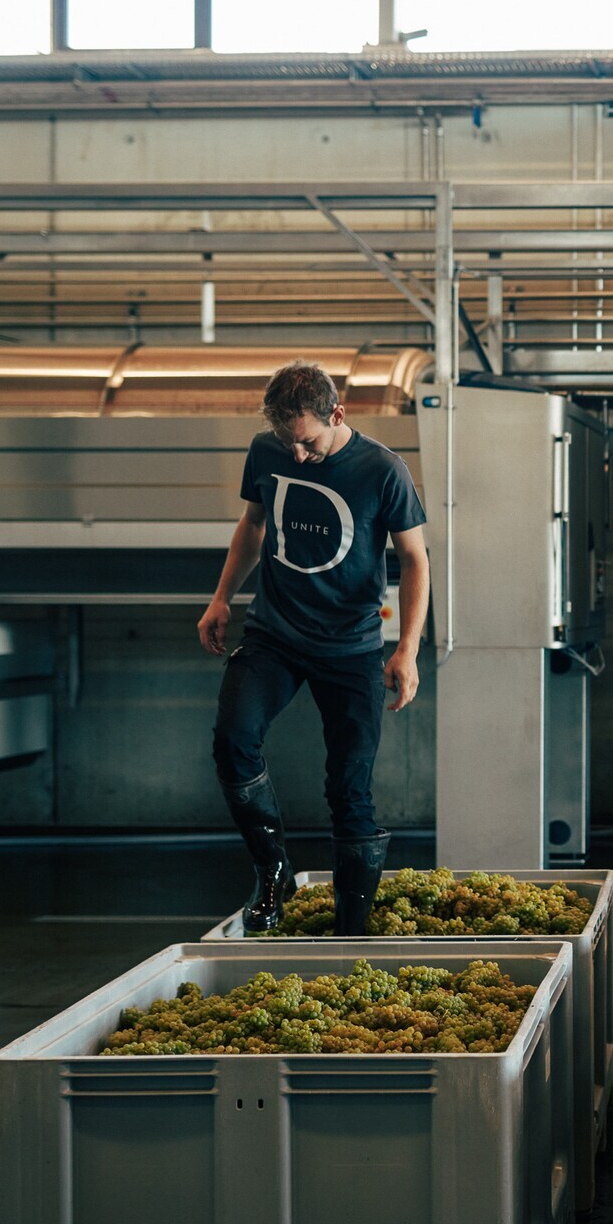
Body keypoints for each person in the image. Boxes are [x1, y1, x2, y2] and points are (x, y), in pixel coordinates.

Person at [199, 360, 429, 935]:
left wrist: (407, 649)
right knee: (233, 738)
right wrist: (222, 597)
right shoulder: (267, 450)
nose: (296, 456)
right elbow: (253, 524)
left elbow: (415, 560)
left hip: (351, 648)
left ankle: (351, 928)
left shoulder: (383, 470)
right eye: (287, 443)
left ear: (337, 414)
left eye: (306, 443)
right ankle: (273, 872)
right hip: (275, 635)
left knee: (350, 788)